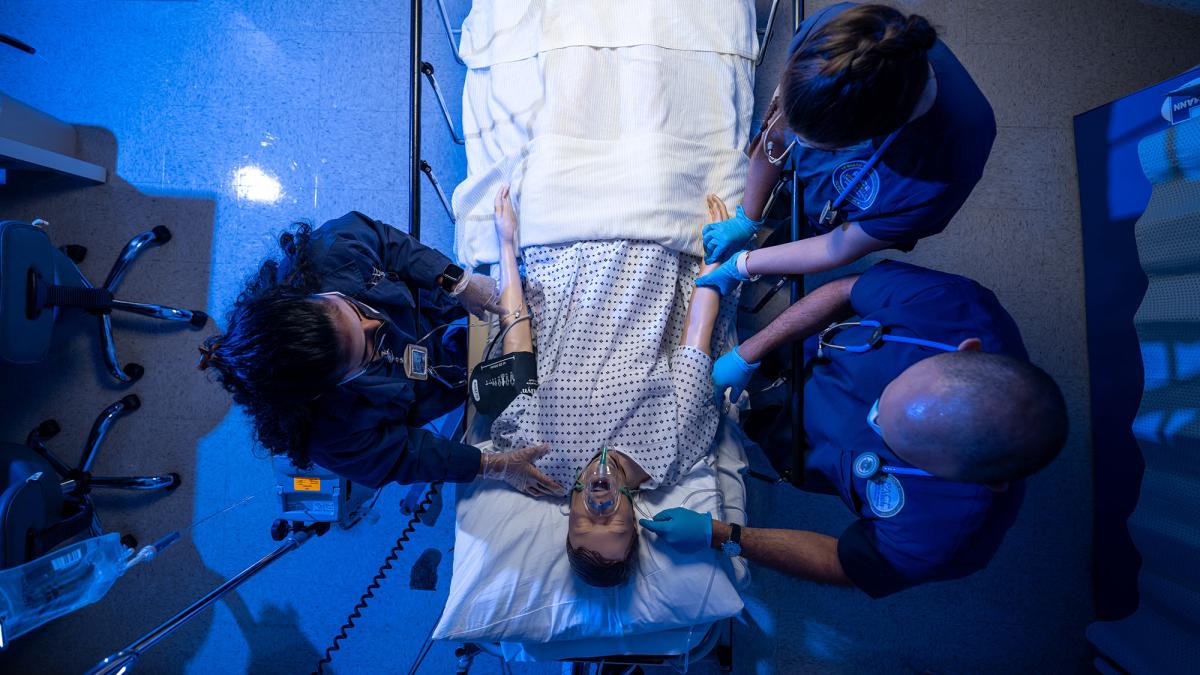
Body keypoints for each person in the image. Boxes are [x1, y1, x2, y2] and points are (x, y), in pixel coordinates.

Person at [643, 261, 1068, 597]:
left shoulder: (947, 536)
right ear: (965, 350)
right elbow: (848, 289)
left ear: (982, 482)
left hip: (807, 450)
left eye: (896, 442)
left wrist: (723, 535)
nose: (874, 418)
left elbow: (843, 565)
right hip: (814, 350)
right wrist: (750, 352)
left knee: (762, 432)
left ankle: (763, 421)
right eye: (889, 397)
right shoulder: (948, 307)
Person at [198, 211, 562, 495]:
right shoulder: (331, 433)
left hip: (430, 308)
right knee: (498, 384)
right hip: (432, 388)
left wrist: (455, 280)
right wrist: (493, 466)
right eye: (363, 350)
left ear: (311, 297)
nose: (374, 326)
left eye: (353, 311)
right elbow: (410, 455)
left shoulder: (330, 253)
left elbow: (388, 244)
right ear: (327, 387)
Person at [487, 186, 733, 587]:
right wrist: (712, 261)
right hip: (653, 243)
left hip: (561, 248)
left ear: (568, 523)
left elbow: (518, 338)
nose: (598, 509)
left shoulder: (531, 461)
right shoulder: (672, 454)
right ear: (635, 525)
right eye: (614, 525)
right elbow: (696, 338)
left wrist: (507, 244)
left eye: (585, 523)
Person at [700, 2, 996, 281]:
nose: (796, 144)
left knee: (800, 236)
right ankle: (775, 212)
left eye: (819, 145)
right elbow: (776, 136)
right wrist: (748, 218)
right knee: (783, 200)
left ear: (871, 135)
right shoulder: (832, 37)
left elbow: (837, 246)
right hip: (831, 158)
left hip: (849, 212)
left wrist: (743, 265)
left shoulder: (944, 171)